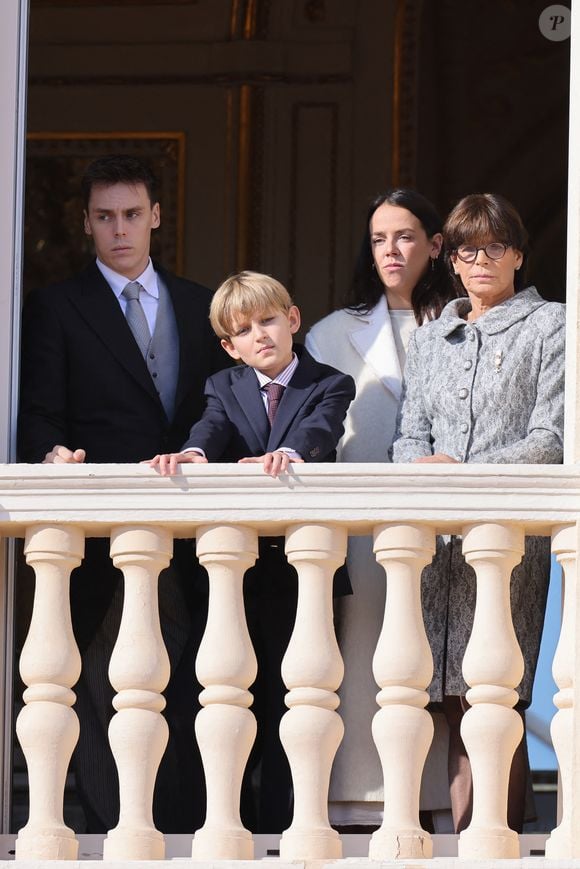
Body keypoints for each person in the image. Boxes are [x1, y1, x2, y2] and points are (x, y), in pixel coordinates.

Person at [17, 154, 230, 833]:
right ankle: (114, 825)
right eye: (105, 217)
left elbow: (225, 406)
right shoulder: (55, 307)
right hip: (104, 531)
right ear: (86, 223)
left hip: (194, 530)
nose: (120, 229)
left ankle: (189, 825)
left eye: (131, 215)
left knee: (199, 679)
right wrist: (53, 453)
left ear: (156, 217)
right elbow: (39, 412)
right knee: (105, 683)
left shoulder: (203, 306)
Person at [150, 270, 356, 831]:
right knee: (223, 697)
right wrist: (193, 453)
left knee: (292, 701)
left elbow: (321, 430)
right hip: (233, 576)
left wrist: (290, 451)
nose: (259, 335)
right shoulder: (223, 386)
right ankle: (227, 825)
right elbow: (210, 429)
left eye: (269, 320)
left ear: (292, 320)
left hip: (300, 575)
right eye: (244, 329)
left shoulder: (330, 382)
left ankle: (288, 829)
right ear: (229, 345)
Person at [392, 192, 565, 832]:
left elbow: (551, 437)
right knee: (433, 691)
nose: (482, 260)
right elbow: (409, 435)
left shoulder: (553, 326)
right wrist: (422, 471)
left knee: (495, 691)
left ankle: (495, 838)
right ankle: (462, 837)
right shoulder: (432, 340)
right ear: (454, 261)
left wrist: (462, 474)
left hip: (508, 540)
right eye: (469, 250)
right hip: (436, 543)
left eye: (496, 247)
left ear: (518, 253)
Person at [304, 189, 459, 829]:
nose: (390, 251)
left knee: (438, 669)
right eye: (377, 239)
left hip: (444, 530)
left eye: (403, 236)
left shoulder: (465, 320)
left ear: (436, 245)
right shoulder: (331, 331)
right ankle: (353, 806)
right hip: (358, 537)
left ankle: (439, 809)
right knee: (361, 664)